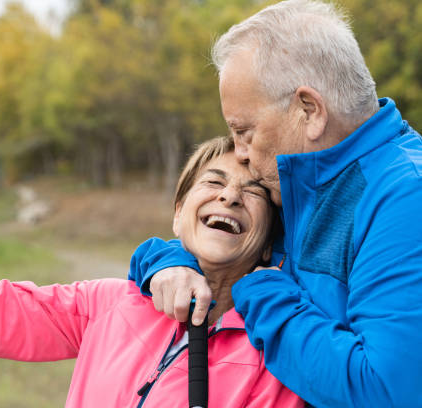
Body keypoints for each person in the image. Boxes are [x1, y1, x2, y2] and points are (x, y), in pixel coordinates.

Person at [0, 135, 303, 407]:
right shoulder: (105, 304)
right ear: (178, 213)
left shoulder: (278, 350)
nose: (230, 197)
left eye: (255, 192)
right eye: (214, 182)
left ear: (269, 240)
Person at [128, 0, 422, 407]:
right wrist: (170, 260)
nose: (241, 153)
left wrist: (260, 288)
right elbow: (219, 248)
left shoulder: (406, 196)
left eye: (243, 131)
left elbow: (388, 392)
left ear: (309, 112)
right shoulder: (301, 186)